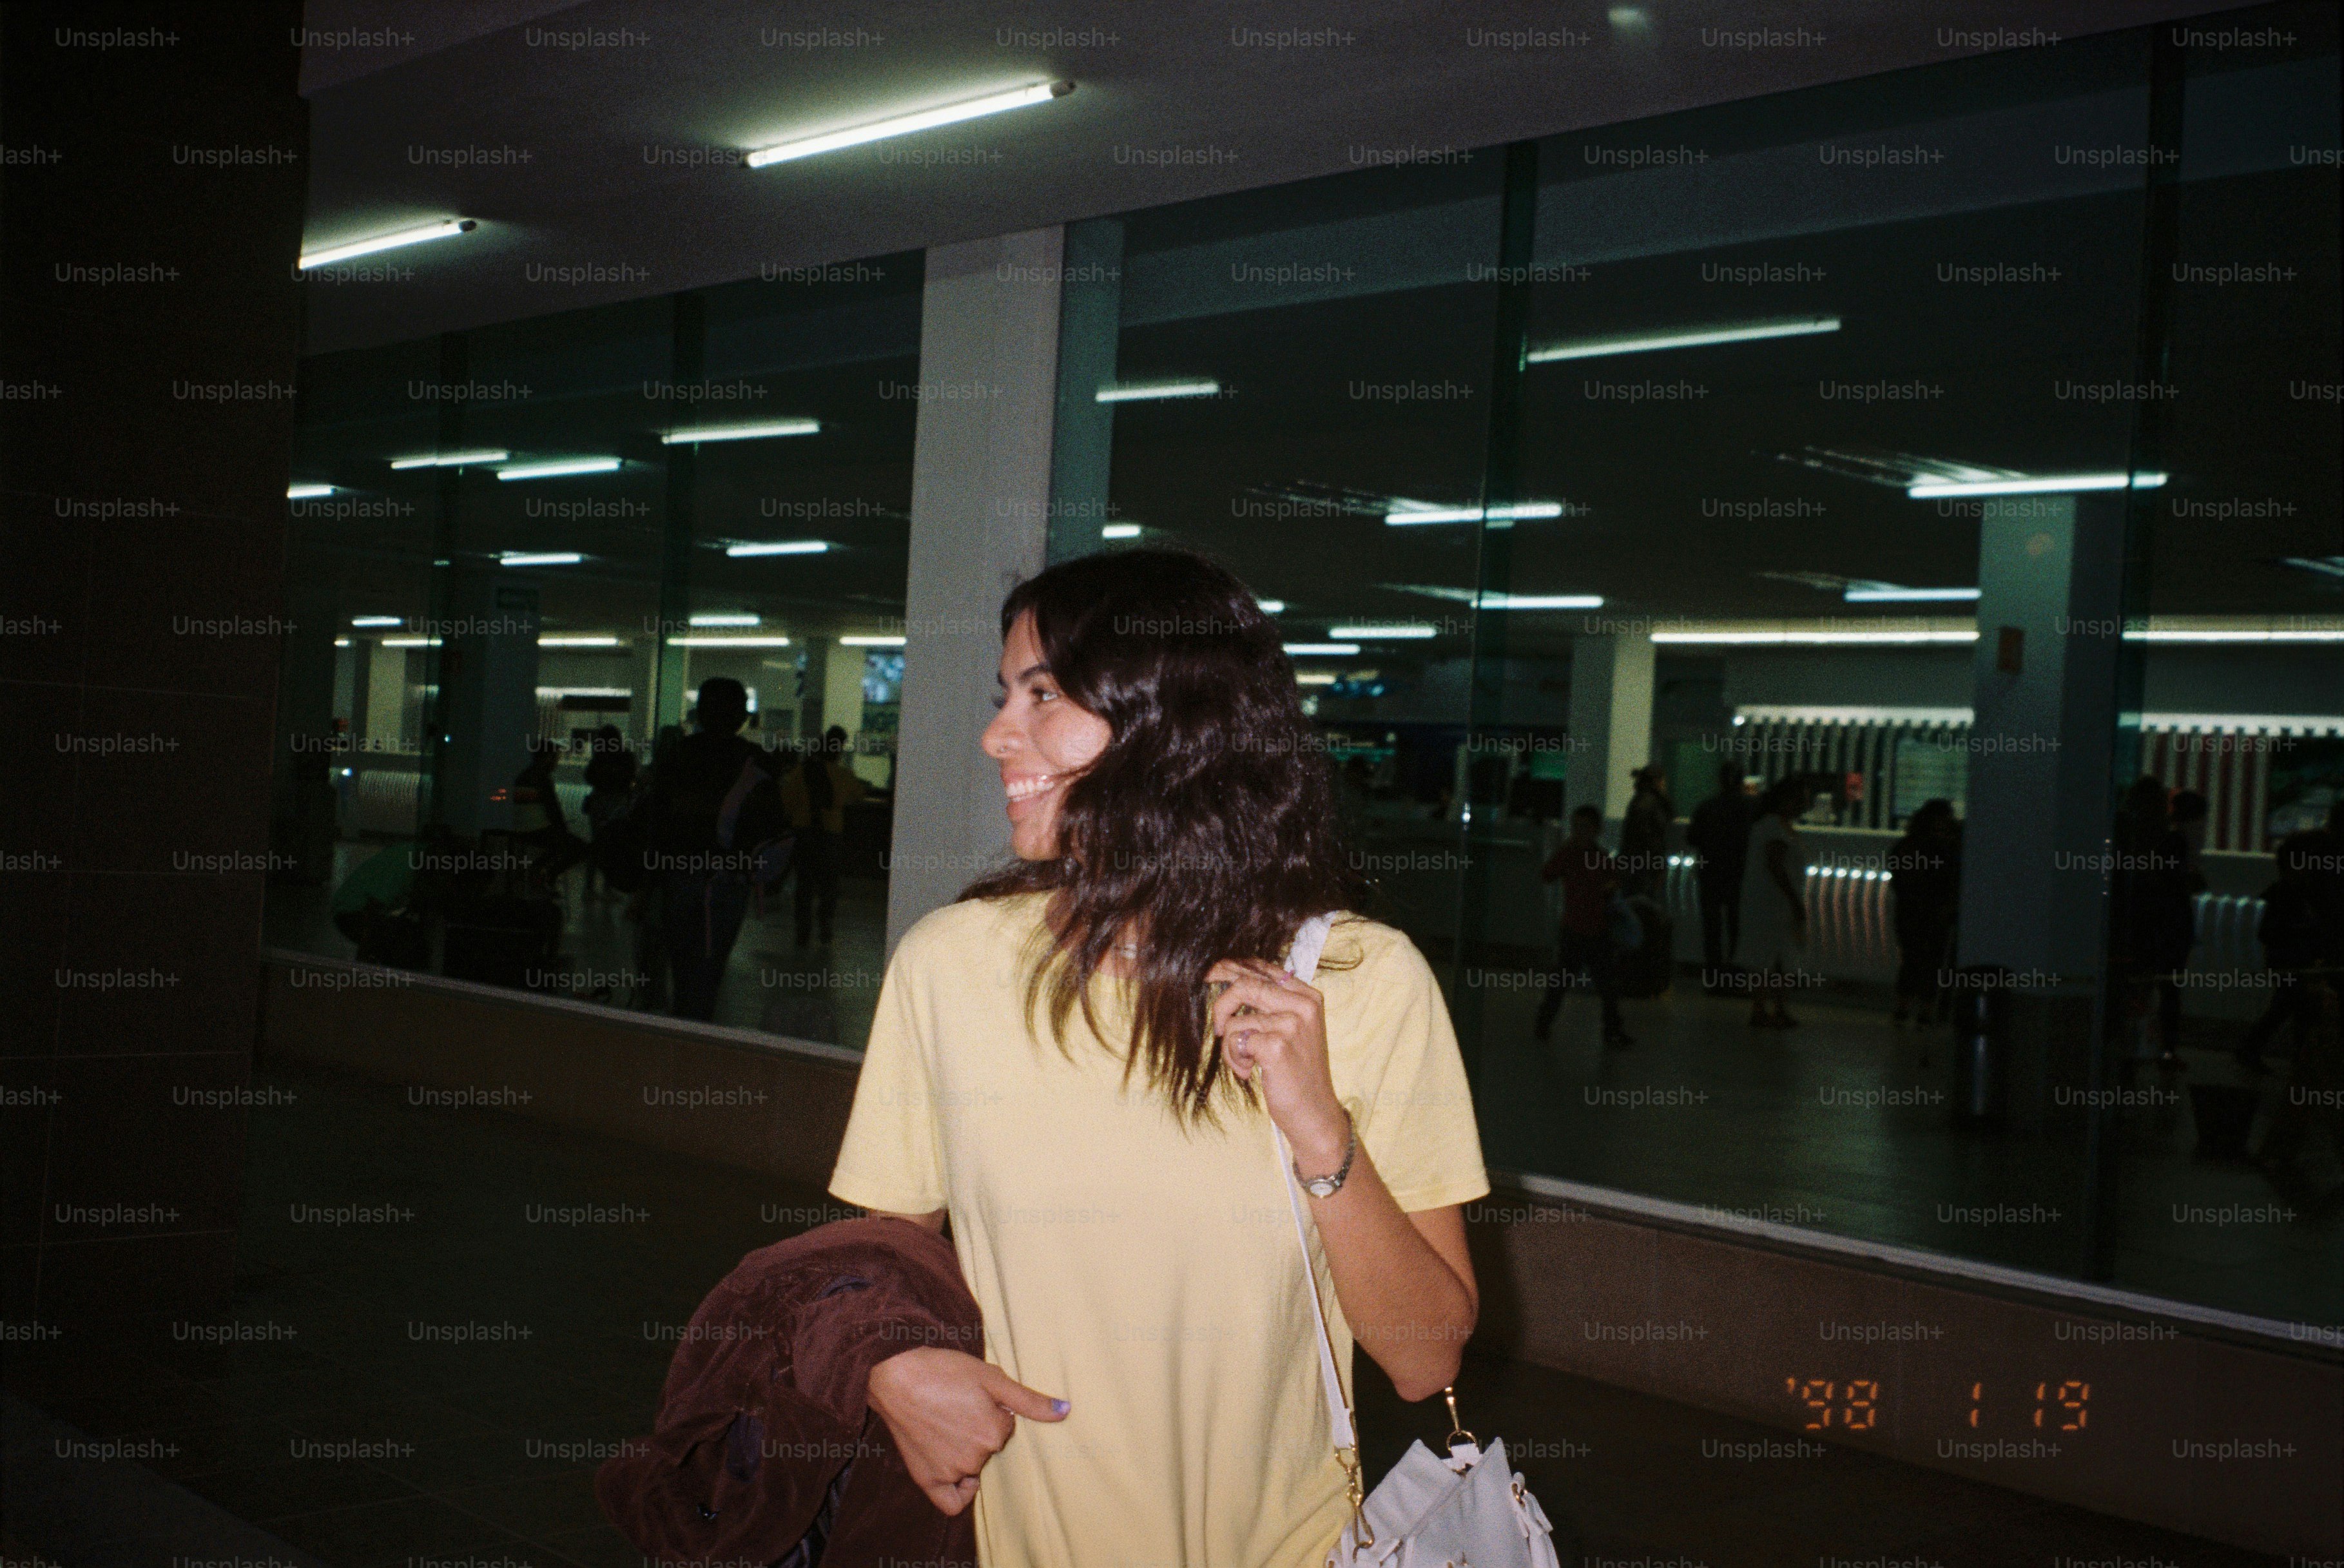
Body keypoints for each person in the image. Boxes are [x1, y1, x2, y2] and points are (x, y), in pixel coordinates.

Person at [828, 549, 1487, 1567]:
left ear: (1176, 724)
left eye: (1044, 694)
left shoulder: (1358, 978)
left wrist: (1319, 1131)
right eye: (1006, 695)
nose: (998, 734)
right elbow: (875, 1261)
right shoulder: (950, 964)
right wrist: (893, 1364)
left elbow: (1422, 1357)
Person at [648, 679, 779, 1021]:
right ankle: (698, 1027)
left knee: (682, 961)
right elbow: (770, 826)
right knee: (711, 964)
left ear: (701, 713)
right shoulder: (755, 761)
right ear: (742, 717)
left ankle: (682, 1022)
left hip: (677, 873)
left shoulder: (677, 755)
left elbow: (654, 818)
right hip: (728, 878)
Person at [2110, 776, 2194, 1069]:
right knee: (2167, 990)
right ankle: (2163, 1051)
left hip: (2136, 925)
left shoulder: (2122, 837)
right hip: (2165, 924)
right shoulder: (2169, 840)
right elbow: (2180, 882)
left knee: (2137, 989)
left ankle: (2126, 1052)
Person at [1533, 804, 1632, 1047]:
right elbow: (1614, 881)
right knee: (1600, 983)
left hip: (1582, 929)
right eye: (1577, 828)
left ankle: (1544, 1024)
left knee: (1568, 981)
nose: (1579, 833)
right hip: (1588, 929)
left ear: (1595, 830)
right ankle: (1610, 1030)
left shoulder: (1577, 855)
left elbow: (1548, 875)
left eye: (1583, 828)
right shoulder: (1593, 856)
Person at [2236, 832, 2329, 1072]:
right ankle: (2294, 1058)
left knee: (2289, 1007)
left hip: (2287, 960)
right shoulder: (2294, 895)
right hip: (2293, 961)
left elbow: (2267, 933)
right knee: (2292, 1008)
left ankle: (2256, 1048)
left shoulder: (2283, 894)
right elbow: (2271, 932)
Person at [778, 725, 868, 948]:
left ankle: (803, 932)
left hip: (805, 835)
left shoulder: (801, 771)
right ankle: (825, 928)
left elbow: (786, 801)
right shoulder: (842, 774)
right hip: (830, 836)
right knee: (829, 885)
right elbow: (858, 794)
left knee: (805, 885)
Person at [1738, 776, 1812, 1027]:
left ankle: (1771, 1008)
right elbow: (1776, 866)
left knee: (1774, 956)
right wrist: (1793, 899)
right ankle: (1765, 1008)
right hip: (1772, 904)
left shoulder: (1773, 825)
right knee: (1771, 956)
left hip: (1772, 903)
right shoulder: (1774, 827)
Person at [1890, 799, 1962, 1027]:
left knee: (1911, 961)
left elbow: (1898, 880)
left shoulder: (1906, 846)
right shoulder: (1948, 848)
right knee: (1933, 962)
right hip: (1935, 913)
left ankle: (1903, 1008)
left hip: (1909, 911)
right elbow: (1950, 880)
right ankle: (1927, 1010)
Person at [1686, 763, 1752, 980]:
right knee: (1738, 930)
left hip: (1710, 875)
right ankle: (1736, 978)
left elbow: (1692, 838)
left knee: (1712, 931)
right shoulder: (1750, 808)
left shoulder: (1707, 807)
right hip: (1739, 876)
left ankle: (1714, 979)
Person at [580, 724, 639, 896]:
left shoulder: (598, 759)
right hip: (618, 803)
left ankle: (589, 888)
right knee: (614, 846)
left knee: (597, 844)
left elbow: (589, 777)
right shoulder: (626, 757)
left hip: (598, 802)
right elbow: (631, 777)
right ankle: (608, 888)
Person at [1620, 765, 1674, 898]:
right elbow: (1651, 836)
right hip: (1646, 865)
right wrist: (1658, 863)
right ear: (1657, 781)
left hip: (1636, 862)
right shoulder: (1653, 803)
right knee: (1646, 902)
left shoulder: (1639, 801)